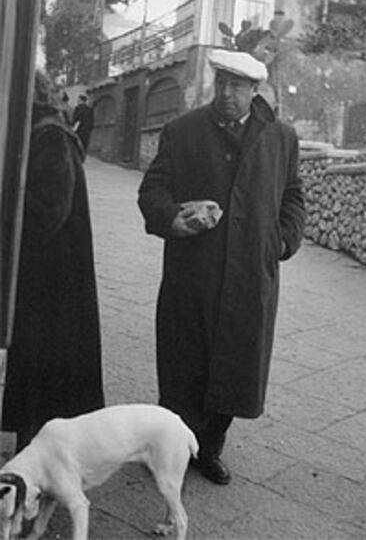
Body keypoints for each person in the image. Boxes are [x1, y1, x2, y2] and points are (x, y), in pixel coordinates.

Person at [138, 49, 306, 485]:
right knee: (183, 363)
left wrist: (283, 240)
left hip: (251, 275)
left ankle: (209, 447)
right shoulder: (183, 132)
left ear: (255, 90)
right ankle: (172, 446)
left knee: (234, 366)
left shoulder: (281, 137)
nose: (227, 93)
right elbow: (153, 189)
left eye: (237, 86)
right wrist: (172, 216)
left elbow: (293, 195)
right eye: (222, 83)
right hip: (193, 273)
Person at [2, 71, 105, 451]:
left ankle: (42, 463)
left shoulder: (50, 137)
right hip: (47, 276)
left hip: (54, 280)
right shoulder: (42, 132)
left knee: (46, 376)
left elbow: (48, 211)